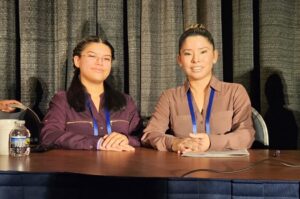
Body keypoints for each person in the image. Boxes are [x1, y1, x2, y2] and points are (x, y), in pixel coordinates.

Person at [141, 24, 255, 153]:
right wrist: (175, 142)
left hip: (227, 169)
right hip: (182, 169)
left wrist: (211, 142)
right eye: (188, 53)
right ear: (179, 60)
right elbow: (149, 135)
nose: (196, 59)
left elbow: (246, 135)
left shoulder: (235, 92)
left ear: (215, 56)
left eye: (203, 52)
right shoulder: (169, 97)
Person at [40, 36, 143, 151]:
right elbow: (49, 135)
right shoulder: (63, 100)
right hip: (77, 167)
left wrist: (126, 139)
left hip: (120, 166)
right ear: (77, 61)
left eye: (106, 58)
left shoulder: (126, 101)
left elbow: (142, 137)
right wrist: (97, 143)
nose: (100, 62)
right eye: (92, 56)